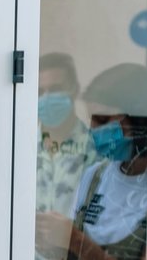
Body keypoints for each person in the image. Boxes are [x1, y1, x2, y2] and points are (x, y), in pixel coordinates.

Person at [36, 63, 147, 260]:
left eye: (103, 120)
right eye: (91, 119)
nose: (93, 129)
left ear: (141, 123)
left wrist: (76, 240)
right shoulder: (95, 176)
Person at [38, 52, 96, 218]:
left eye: (56, 89)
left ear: (75, 90)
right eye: (39, 91)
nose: (46, 98)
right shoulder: (17, 149)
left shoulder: (96, 150)